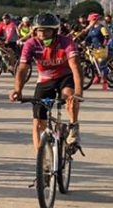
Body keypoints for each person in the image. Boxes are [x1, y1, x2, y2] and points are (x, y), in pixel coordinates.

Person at [10, 13, 83, 151]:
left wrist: (78, 92)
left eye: (47, 30)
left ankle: (73, 127)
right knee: (38, 123)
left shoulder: (66, 42)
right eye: (39, 30)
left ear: (55, 31)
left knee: (69, 96)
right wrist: (17, 90)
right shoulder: (30, 44)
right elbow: (22, 69)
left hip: (65, 77)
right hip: (45, 80)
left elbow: (75, 67)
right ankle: (42, 159)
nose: (42, 34)